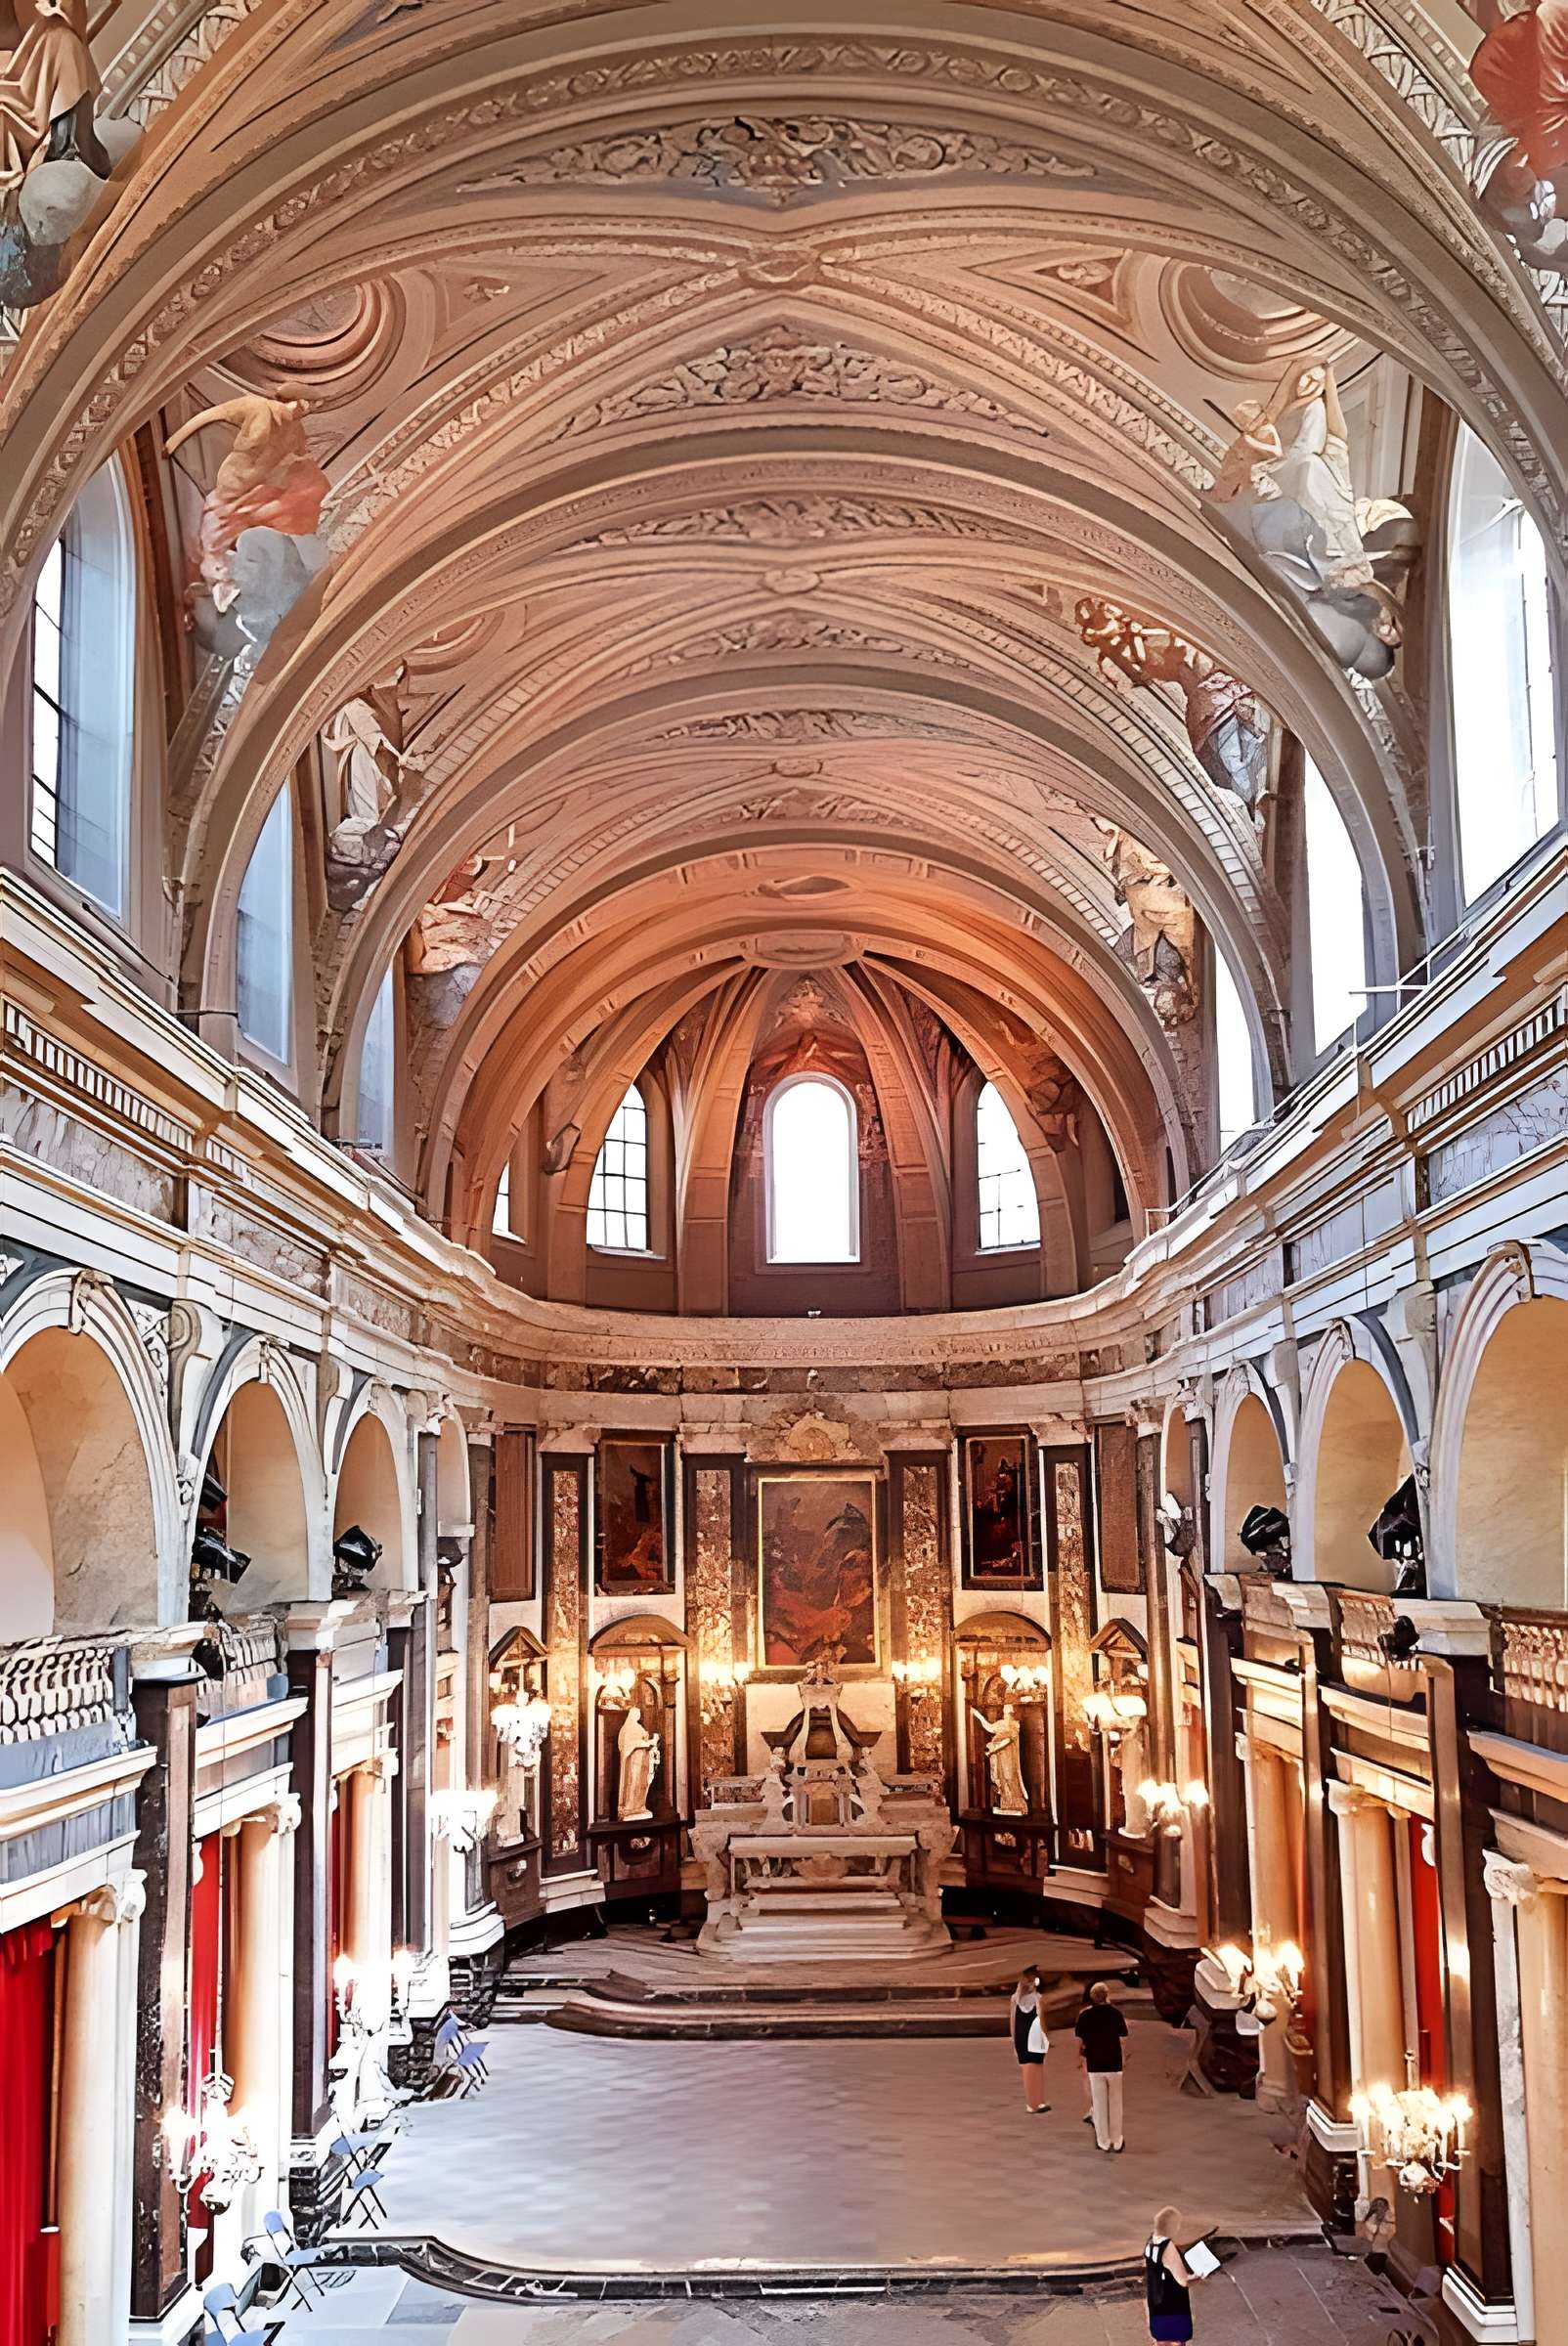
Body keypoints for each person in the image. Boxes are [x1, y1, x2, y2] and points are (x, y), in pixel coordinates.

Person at [1074, 1979, 1128, 2151]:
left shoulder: (1085, 2016)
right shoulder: (1116, 2014)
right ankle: (1117, 2140)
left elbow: (1079, 2041)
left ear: (1092, 1997)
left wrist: (1078, 2058)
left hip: (1095, 2064)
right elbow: (1123, 2039)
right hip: (1114, 2063)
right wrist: (1124, 2058)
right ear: (1106, 1995)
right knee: (1116, 2102)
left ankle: (1103, 2141)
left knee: (1099, 2104)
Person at [1146, 2205, 1206, 2341]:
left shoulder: (1151, 2242)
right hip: (1173, 2307)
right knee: (1176, 2340)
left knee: (1164, 2341)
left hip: (1156, 2307)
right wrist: (1198, 2276)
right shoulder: (1167, 2247)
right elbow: (1183, 2281)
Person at [1009, 1968, 1051, 2113]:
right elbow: (1042, 2020)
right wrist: (1046, 2037)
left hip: (1022, 2038)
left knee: (1029, 2071)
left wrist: (1014, 2040)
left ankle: (1033, 2103)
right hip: (1034, 2037)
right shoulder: (1038, 1998)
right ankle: (1037, 2102)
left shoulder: (1015, 1999)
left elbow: (1012, 2021)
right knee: (1036, 2070)